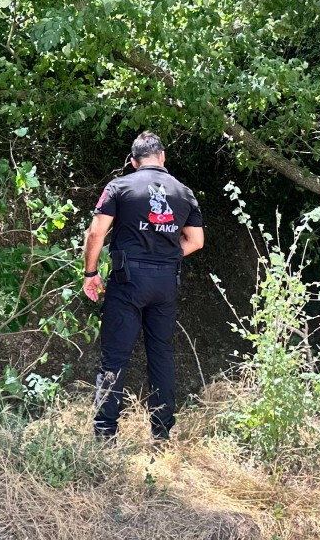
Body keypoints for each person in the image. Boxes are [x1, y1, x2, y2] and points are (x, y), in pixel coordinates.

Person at [82, 131, 204, 441]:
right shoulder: (184, 192)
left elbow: (97, 234)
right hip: (165, 283)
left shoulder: (120, 186)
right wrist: (165, 253)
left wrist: (90, 272)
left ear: (134, 161)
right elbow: (196, 241)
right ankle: (161, 435)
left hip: (127, 281)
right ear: (163, 157)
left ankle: (105, 435)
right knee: (161, 355)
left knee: (114, 358)